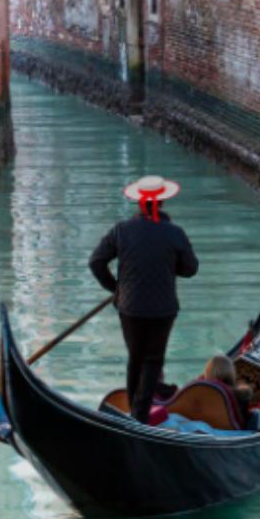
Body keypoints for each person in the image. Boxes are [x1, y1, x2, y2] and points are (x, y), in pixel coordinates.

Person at [89, 174, 199, 423]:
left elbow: (96, 262)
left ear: (140, 203)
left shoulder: (122, 230)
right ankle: (139, 417)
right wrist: (170, 265)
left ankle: (134, 412)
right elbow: (191, 268)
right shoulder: (175, 233)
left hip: (130, 307)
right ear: (162, 202)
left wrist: (116, 288)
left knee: (135, 359)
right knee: (152, 361)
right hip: (162, 309)